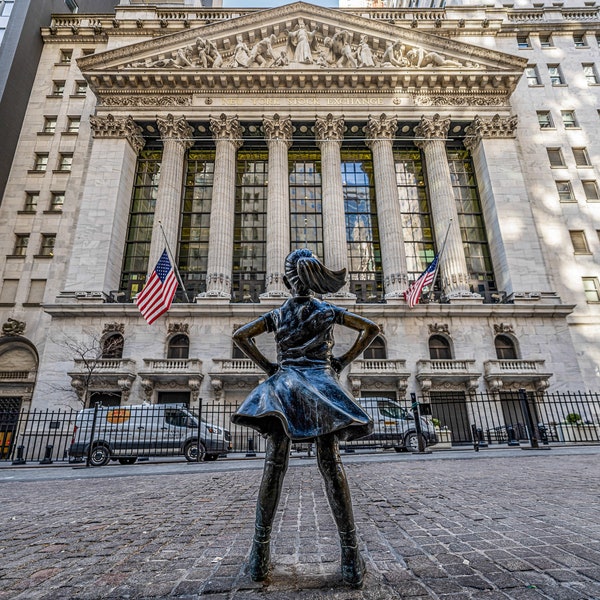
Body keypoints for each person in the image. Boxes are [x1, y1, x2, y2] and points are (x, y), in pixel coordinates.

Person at [231, 248, 379, 587]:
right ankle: (351, 557)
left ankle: (259, 556)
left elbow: (240, 336)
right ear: (312, 281)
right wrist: (340, 362)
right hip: (321, 387)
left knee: (274, 465)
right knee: (331, 464)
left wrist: (270, 368)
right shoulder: (327, 310)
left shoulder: (278, 314)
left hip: (284, 387)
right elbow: (370, 329)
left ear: (286, 281)